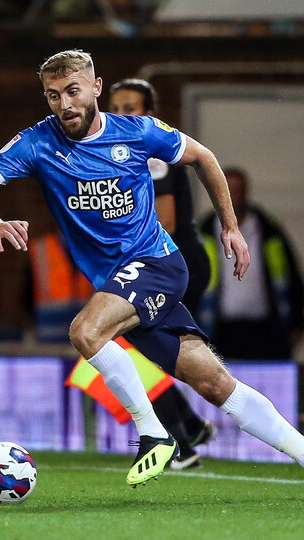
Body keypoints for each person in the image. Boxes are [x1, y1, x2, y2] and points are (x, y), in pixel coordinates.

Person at [0, 49, 304, 501]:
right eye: (54, 95)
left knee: (85, 331)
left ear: (96, 88)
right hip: (118, 283)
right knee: (215, 384)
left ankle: (155, 435)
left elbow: (204, 158)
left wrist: (231, 227)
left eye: (73, 91)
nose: (65, 104)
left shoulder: (139, 132)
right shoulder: (37, 143)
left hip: (157, 264)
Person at [107, 77, 215, 469]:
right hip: (165, 264)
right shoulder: (125, 151)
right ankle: (188, 426)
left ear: (149, 114)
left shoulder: (151, 154)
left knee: (128, 347)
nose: (120, 115)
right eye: (114, 108)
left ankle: (178, 443)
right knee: (140, 350)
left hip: (168, 264)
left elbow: (164, 222)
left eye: (130, 108)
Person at [198, 167, 304, 360]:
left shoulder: (269, 231)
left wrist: (297, 321)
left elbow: (291, 276)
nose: (232, 195)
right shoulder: (204, 232)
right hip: (218, 330)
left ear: (246, 192)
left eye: (237, 189)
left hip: (266, 331)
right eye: (227, 188)